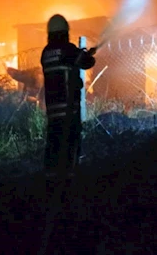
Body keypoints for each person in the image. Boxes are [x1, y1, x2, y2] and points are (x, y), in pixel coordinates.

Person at [40, 13, 96, 185]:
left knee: (54, 142)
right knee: (70, 142)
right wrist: (87, 55)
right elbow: (87, 62)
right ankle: (69, 181)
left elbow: (70, 61)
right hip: (69, 106)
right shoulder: (68, 49)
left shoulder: (46, 53)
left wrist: (82, 56)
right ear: (65, 32)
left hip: (52, 108)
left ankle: (50, 180)